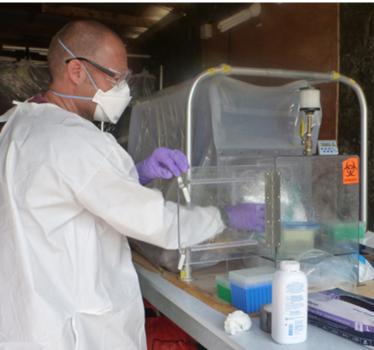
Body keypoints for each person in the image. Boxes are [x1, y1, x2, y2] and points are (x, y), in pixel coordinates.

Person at [0, 20, 264, 349]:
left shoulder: (17, 124)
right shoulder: (76, 140)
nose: (123, 88)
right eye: (116, 77)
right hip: (72, 328)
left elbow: (64, 193)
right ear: (77, 70)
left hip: (27, 318)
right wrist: (224, 216)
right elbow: (159, 224)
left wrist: (135, 174)